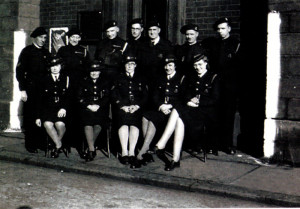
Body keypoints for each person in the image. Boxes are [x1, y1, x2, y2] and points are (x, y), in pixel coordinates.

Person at [155, 54, 221, 171]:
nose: (197, 67)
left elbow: (215, 99)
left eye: (200, 64)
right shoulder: (191, 77)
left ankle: (161, 143)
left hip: (205, 114)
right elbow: (184, 94)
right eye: (195, 65)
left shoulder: (213, 77)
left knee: (178, 111)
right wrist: (189, 100)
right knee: (179, 119)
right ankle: (175, 159)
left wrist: (198, 102)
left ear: (206, 63)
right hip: (191, 110)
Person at [136, 54, 185, 165]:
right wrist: (161, 106)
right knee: (145, 116)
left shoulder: (181, 79)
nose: (168, 68)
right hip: (162, 109)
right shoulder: (160, 78)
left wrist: (170, 106)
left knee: (153, 119)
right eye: (166, 66)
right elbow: (155, 96)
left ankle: (143, 152)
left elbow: (182, 98)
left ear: (175, 66)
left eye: (170, 65)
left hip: (174, 112)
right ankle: (147, 149)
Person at [207, 17, 241, 155]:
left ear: (229, 29)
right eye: (219, 29)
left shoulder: (235, 44)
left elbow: (239, 66)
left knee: (228, 115)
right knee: (215, 114)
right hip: (216, 84)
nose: (220, 31)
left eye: (223, 28)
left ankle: (227, 144)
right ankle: (213, 144)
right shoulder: (214, 44)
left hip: (230, 85)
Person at [16, 27, 50, 153]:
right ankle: (31, 144)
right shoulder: (27, 52)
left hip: (44, 89)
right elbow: (20, 72)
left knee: (42, 115)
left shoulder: (46, 52)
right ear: (35, 38)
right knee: (31, 116)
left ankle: (41, 142)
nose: (43, 40)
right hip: (31, 88)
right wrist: (23, 89)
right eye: (41, 37)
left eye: (45, 38)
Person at [111, 55, 148, 169]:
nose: (130, 66)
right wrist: (122, 106)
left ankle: (132, 151)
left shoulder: (141, 78)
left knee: (134, 124)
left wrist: (137, 106)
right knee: (123, 124)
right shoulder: (118, 77)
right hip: (122, 108)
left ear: (135, 65)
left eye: (132, 64)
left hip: (136, 108)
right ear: (124, 65)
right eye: (128, 64)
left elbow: (145, 96)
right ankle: (124, 151)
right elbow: (114, 94)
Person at [35, 55, 70, 158]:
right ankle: (58, 145)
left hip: (61, 109)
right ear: (49, 67)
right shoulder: (43, 79)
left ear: (61, 67)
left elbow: (69, 97)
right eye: (52, 66)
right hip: (47, 109)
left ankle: (55, 145)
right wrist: (37, 116)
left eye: (57, 65)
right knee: (48, 124)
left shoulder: (66, 79)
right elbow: (39, 100)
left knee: (60, 125)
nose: (54, 68)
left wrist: (64, 108)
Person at [77, 60, 111, 162]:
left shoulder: (105, 82)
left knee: (99, 123)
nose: (94, 73)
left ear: (100, 72)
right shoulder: (83, 82)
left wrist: (99, 105)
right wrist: (88, 105)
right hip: (87, 109)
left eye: (96, 71)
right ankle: (92, 149)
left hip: (100, 110)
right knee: (87, 122)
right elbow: (79, 97)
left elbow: (107, 97)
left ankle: (89, 146)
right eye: (92, 71)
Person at [140, 20, 173, 89]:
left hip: (160, 80)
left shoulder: (166, 45)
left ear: (159, 30)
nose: (152, 32)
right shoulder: (143, 45)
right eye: (150, 30)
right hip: (146, 80)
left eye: (154, 29)